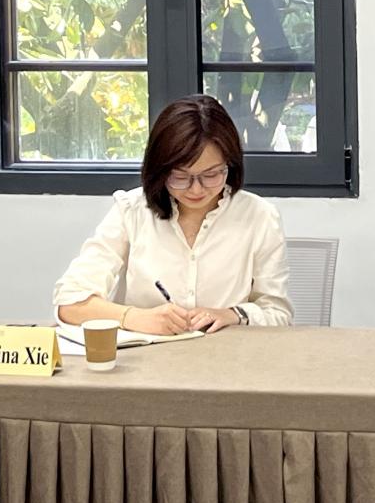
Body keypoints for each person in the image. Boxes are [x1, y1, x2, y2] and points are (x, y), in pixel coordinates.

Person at [54, 95, 293, 333]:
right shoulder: (131, 211)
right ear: (160, 170)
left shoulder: (259, 216)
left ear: (229, 166)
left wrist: (235, 314)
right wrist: (134, 317)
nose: (196, 189)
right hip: (145, 354)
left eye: (211, 175)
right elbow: (69, 302)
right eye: (180, 176)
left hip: (229, 353)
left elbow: (278, 313)